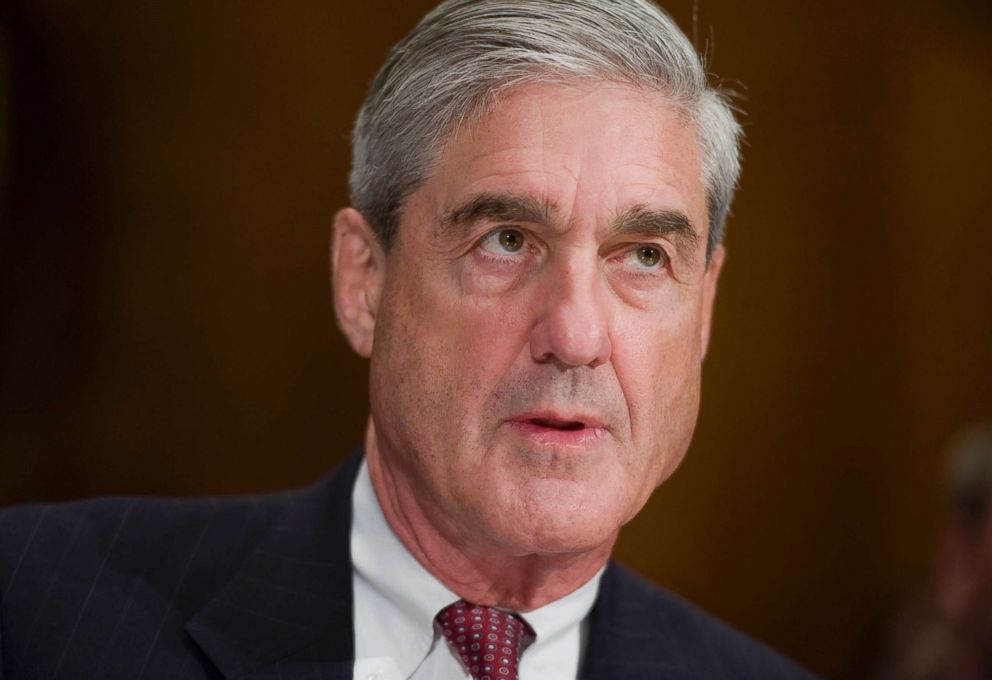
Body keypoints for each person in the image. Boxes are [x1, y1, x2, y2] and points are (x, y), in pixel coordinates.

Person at [0, 1, 816, 678]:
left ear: (704, 310)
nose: (574, 334)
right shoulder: (36, 609)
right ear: (364, 281)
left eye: (644, 256)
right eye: (505, 239)